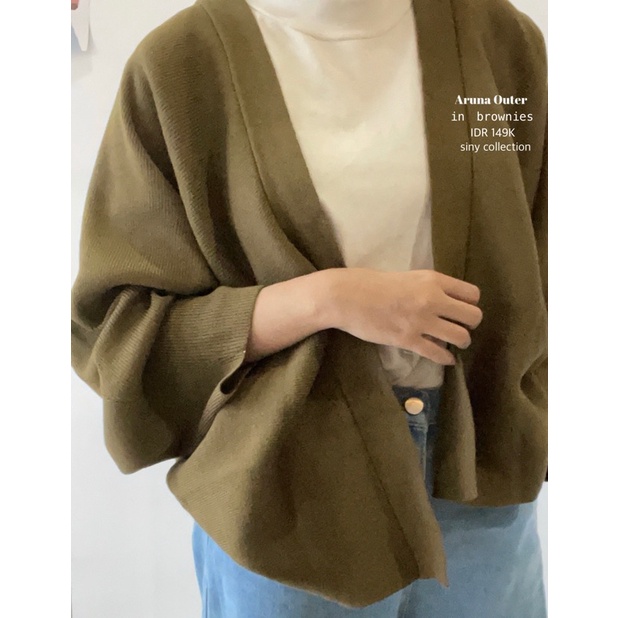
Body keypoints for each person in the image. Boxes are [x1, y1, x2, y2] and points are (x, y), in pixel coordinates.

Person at [71, 0, 548, 616]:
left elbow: (545, 247)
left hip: (484, 485)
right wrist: (327, 299)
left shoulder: (497, 41)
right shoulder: (180, 67)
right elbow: (117, 325)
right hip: (289, 497)